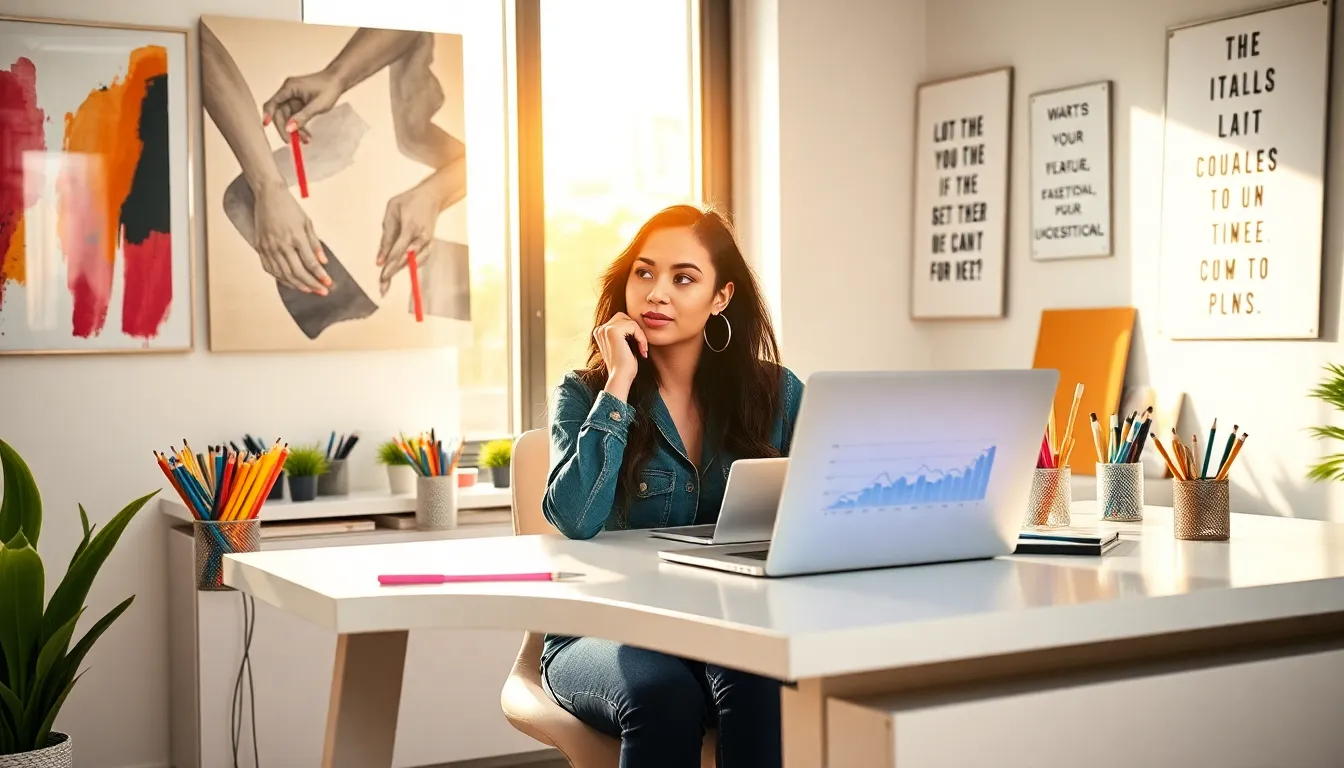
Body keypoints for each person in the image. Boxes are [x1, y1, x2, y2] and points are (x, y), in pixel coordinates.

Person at [540, 204, 803, 768]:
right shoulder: (584, 395)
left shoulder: (775, 395)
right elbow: (575, 519)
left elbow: (819, 512)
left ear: (721, 298)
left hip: (728, 627)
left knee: (761, 677)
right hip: (602, 632)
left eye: (683, 278)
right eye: (644, 272)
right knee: (663, 695)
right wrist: (618, 382)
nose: (657, 293)